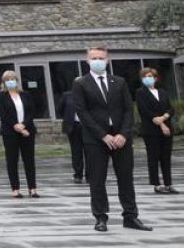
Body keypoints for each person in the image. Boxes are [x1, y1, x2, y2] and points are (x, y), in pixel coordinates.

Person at [73, 46, 151, 232]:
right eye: (94, 58)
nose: (98, 60)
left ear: (107, 59)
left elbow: (127, 110)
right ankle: (100, 217)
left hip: (121, 139)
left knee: (126, 178)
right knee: (97, 180)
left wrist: (123, 134)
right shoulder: (81, 83)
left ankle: (131, 217)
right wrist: (103, 135)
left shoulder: (119, 82)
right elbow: (82, 113)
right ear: (88, 60)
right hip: (96, 140)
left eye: (101, 57)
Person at [0, 71, 38, 198]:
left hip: (28, 130)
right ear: (3, 82)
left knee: (29, 160)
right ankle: (15, 188)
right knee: (12, 160)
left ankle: (33, 187)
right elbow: (3, 114)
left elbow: (31, 111)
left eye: (13, 79)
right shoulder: (0, 96)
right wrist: (16, 126)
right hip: (10, 132)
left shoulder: (25, 95)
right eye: (8, 79)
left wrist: (23, 124)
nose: (11, 81)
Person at [135, 66, 176, 194]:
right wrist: (161, 124)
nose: (148, 79)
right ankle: (157, 185)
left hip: (167, 129)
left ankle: (168, 183)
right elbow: (145, 110)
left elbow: (170, 108)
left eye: (150, 76)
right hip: (151, 130)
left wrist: (165, 117)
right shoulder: (140, 92)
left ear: (155, 78)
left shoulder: (162, 92)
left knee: (166, 157)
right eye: (145, 77)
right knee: (153, 157)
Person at [60, 89, 87, 184]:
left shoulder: (90, 94)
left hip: (88, 126)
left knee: (90, 151)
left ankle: (90, 175)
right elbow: (60, 109)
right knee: (76, 151)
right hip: (74, 126)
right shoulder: (67, 95)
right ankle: (78, 174)